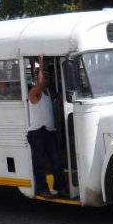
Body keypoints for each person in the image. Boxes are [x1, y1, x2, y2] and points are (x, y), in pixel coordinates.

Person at [27, 54, 67, 199]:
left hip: (49, 132)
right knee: (40, 164)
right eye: (45, 78)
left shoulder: (49, 92)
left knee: (57, 160)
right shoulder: (34, 93)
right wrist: (41, 64)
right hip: (37, 133)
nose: (47, 80)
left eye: (49, 78)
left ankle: (60, 187)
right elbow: (39, 83)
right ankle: (42, 189)